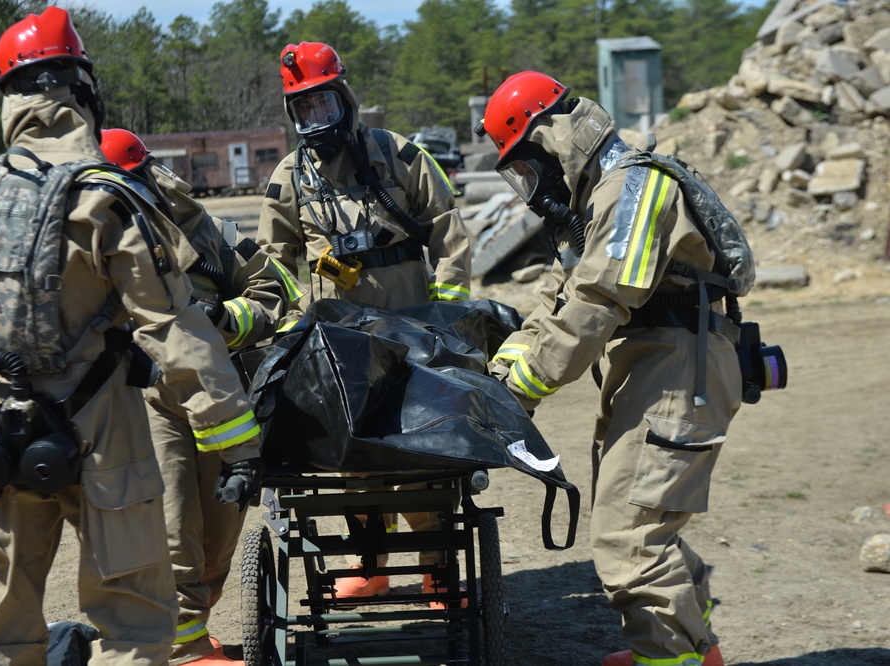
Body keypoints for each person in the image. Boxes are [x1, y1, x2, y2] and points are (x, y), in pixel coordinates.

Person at [0, 8, 262, 665]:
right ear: (82, 91)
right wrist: (236, 443)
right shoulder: (106, 201)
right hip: (105, 440)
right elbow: (174, 330)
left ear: (9, 99)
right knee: (135, 624)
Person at [478, 71, 740, 666]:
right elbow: (558, 298)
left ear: (551, 139)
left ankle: (668, 658)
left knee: (629, 537)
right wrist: (500, 371)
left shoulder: (635, 189)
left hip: (677, 368)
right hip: (656, 364)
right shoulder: (597, 201)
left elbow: (597, 301)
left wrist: (522, 391)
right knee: (645, 527)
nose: (530, 185)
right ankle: (694, 649)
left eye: (526, 166)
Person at [256, 41, 473, 604]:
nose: (316, 119)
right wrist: (288, 330)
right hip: (342, 344)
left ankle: (436, 571)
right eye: (304, 109)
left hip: (415, 339)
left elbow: (450, 233)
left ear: (345, 98)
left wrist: (444, 319)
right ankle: (370, 564)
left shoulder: (399, 156)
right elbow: (271, 264)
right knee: (354, 459)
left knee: (425, 451)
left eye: (324, 104)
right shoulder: (290, 178)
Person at [101, 127, 301, 665]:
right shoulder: (87, 245)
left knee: (219, 530)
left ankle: (195, 624)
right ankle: (184, 646)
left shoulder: (207, 233)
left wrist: (228, 319)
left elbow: (277, 290)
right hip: (142, 401)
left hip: (216, 400)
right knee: (171, 525)